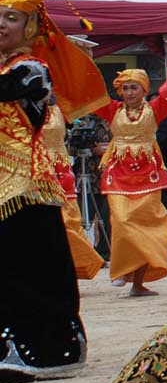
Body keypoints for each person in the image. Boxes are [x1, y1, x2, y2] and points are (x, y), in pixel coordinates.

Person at [0, 0, 106, 382]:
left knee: (31, 269)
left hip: (27, 186)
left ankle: (47, 350)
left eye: (11, 16)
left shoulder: (32, 70)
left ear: (29, 26)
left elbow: (8, 90)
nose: (1, 24)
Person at [94, 69, 167, 296]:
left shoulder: (154, 110)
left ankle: (138, 283)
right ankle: (122, 269)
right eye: (125, 88)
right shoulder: (113, 110)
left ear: (144, 89)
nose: (129, 92)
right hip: (120, 174)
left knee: (146, 225)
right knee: (122, 221)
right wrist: (86, 54)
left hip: (147, 174)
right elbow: (91, 93)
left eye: (134, 87)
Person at [40, 102, 104, 280]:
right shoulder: (18, 110)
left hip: (60, 169)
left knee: (69, 219)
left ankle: (73, 266)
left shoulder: (61, 109)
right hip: (35, 168)